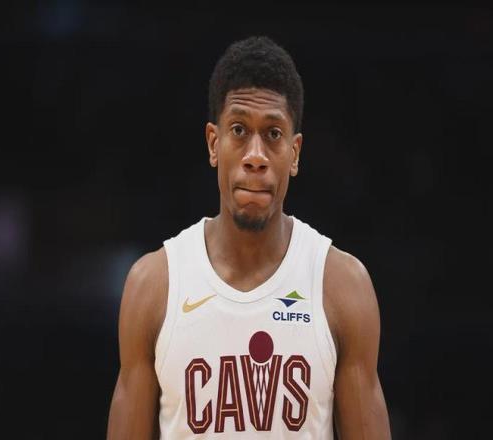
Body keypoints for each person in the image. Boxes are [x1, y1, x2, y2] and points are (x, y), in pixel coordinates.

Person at [107, 35, 391, 439]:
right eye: (239, 130)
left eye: (273, 134)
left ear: (294, 153)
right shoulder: (153, 285)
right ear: (214, 143)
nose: (255, 155)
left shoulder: (343, 286)